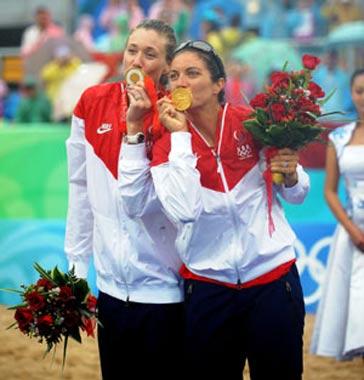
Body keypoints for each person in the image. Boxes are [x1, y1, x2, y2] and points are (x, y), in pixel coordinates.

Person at [119, 40, 310, 380]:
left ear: (219, 84)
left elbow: (295, 195)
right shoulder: (165, 143)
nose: (180, 82)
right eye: (173, 75)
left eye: (192, 73)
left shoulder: (254, 124)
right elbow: (185, 210)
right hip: (209, 289)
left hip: (273, 282)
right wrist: (180, 139)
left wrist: (292, 174)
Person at [64, 19, 183, 380]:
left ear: (167, 65)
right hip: (111, 291)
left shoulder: (175, 115)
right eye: (132, 50)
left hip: (167, 291)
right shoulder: (91, 102)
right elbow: (80, 188)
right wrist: (75, 268)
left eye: (150, 54)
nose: (137, 61)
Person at [311, 69, 364, 360]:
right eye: (359, 90)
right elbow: (330, 191)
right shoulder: (339, 137)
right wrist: (352, 230)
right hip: (352, 234)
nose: (363, 97)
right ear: (351, 93)